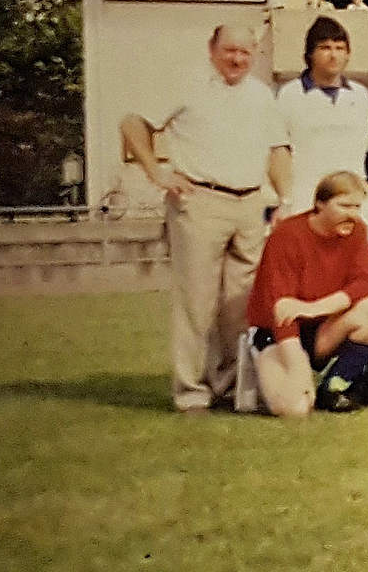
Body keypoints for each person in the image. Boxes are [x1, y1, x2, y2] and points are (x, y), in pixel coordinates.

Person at [119, 24, 291, 413]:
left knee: (239, 305)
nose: (237, 59)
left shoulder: (261, 96)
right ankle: (191, 393)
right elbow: (133, 123)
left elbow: (278, 149)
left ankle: (229, 387)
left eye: (245, 53)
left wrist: (285, 198)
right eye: (229, 50)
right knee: (196, 303)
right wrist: (156, 171)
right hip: (200, 201)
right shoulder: (187, 85)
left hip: (249, 204)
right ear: (212, 50)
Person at [247, 172, 368, 415]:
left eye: (356, 207)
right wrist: (297, 366)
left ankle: (334, 387)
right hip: (280, 334)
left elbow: (367, 283)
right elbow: (280, 308)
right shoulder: (287, 235)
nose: (352, 214)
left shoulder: (358, 231)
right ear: (320, 204)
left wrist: (313, 308)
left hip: (323, 329)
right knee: (296, 408)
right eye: (343, 206)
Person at [275, 17, 368, 231]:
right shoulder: (290, 94)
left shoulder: (360, 95)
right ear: (310, 54)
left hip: (355, 199)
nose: (333, 55)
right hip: (307, 199)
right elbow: (280, 151)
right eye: (325, 48)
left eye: (340, 48)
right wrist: (285, 200)